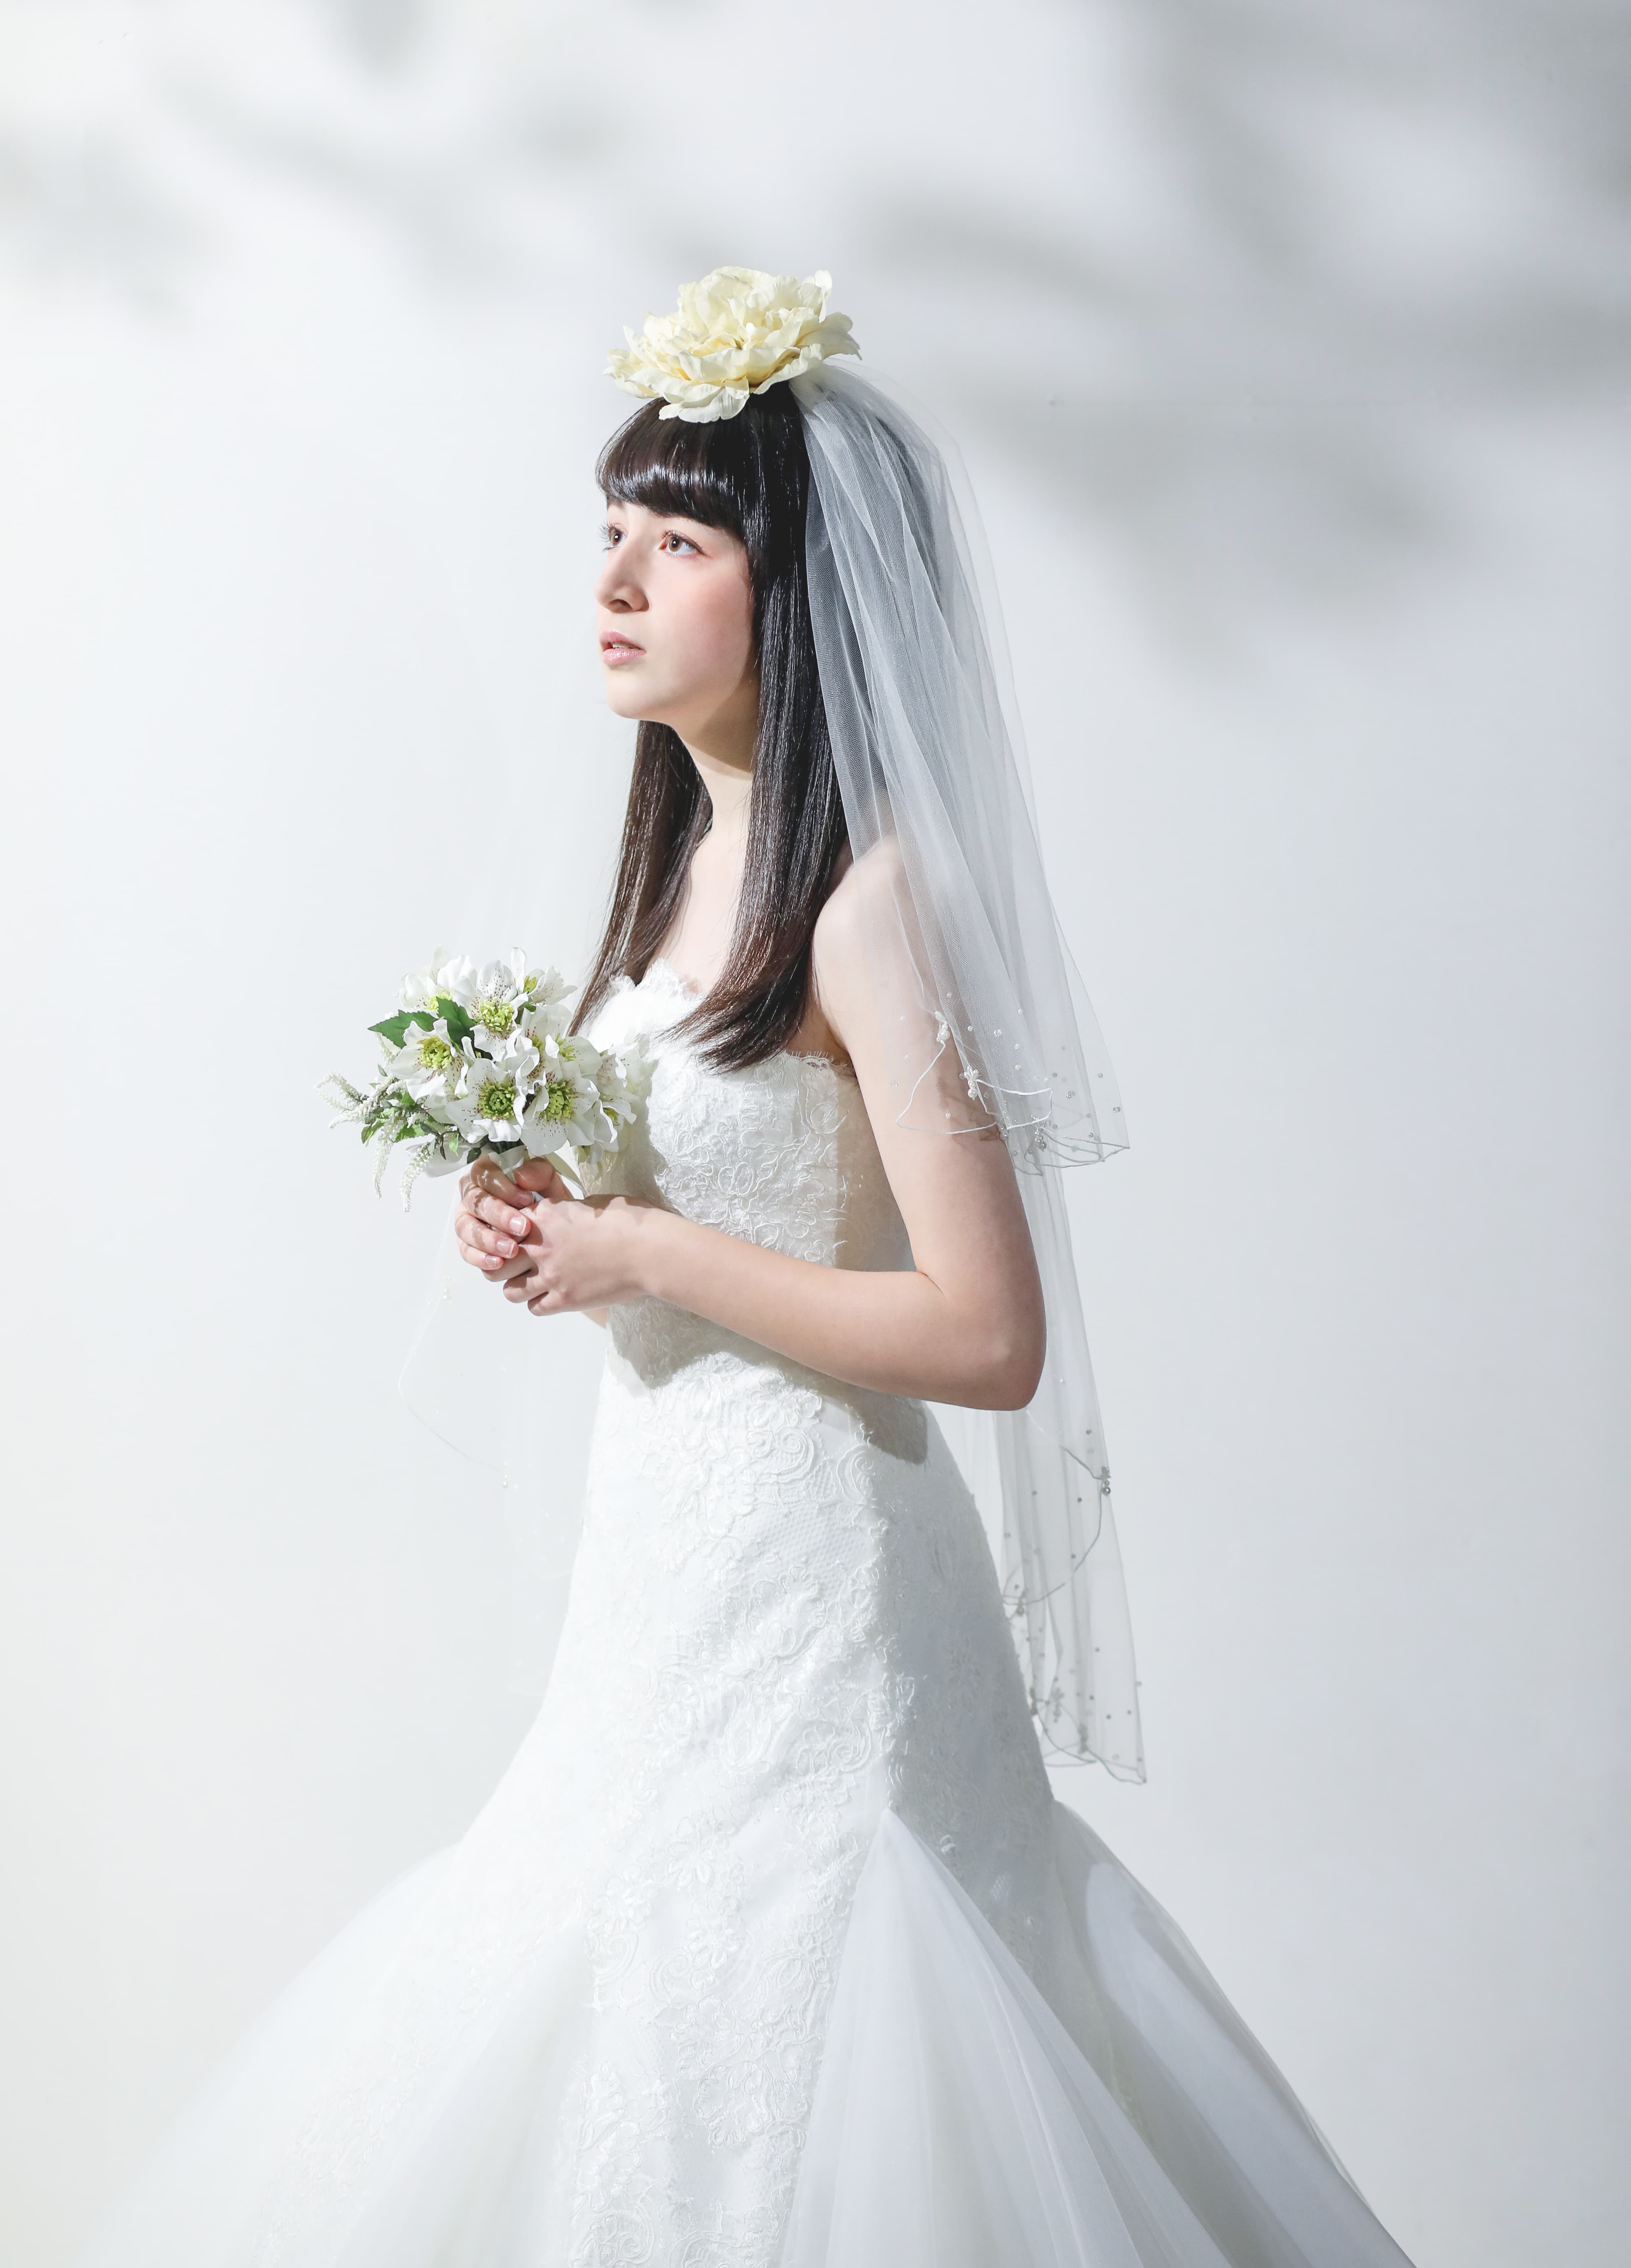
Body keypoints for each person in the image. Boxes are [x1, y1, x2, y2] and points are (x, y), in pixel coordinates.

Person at [82, 271, 1414, 2267]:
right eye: (609, 531)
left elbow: (987, 1332)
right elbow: (728, 1194)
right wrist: (555, 1216)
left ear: (798, 591)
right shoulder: (685, 867)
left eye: (679, 543)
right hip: (664, 1573)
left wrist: (650, 1247)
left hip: (819, 1592)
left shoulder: (870, 903)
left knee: (812, 2027)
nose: (614, 580)